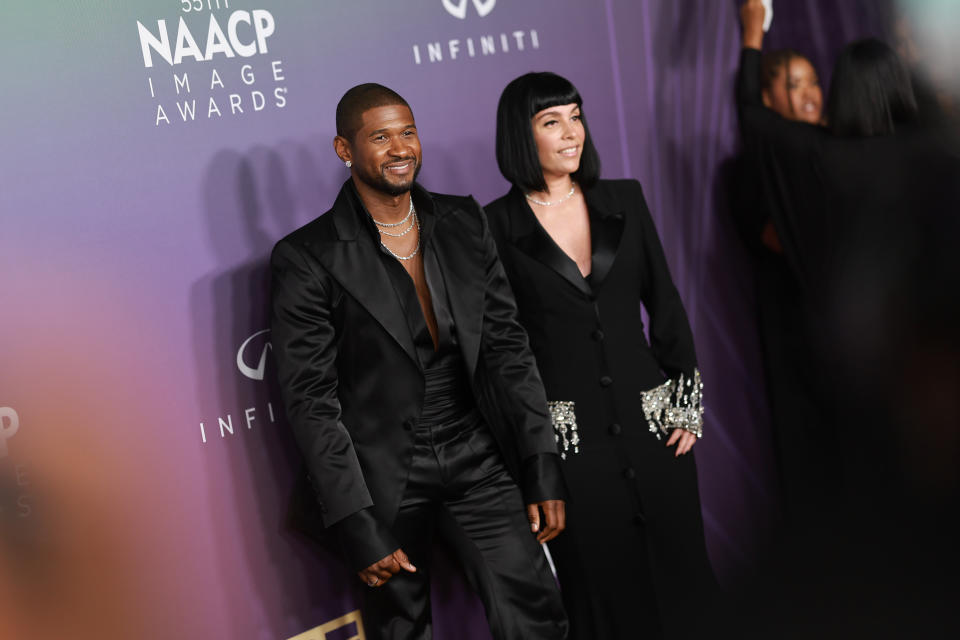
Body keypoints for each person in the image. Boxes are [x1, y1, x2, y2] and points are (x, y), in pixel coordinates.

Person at [270, 83, 568, 640]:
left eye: (407, 132)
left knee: (536, 614)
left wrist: (539, 460)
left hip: (478, 452)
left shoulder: (462, 221)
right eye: (379, 137)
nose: (400, 147)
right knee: (402, 631)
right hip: (385, 475)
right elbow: (312, 402)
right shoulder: (307, 257)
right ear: (344, 150)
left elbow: (507, 348)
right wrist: (357, 521)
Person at [484, 72, 718, 640]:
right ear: (522, 135)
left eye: (576, 115)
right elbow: (503, 350)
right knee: (604, 592)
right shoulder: (494, 226)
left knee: (683, 575)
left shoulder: (624, 199)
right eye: (551, 121)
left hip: (655, 427)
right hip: (571, 443)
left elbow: (665, 305)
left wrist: (686, 404)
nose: (572, 133)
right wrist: (540, 444)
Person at [729, 41, 826, 522]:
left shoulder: (839, 148)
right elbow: (777, 236)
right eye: (794, 83)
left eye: (812, 81)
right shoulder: (754, 169)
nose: (810, 93)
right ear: (767, 99)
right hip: (800, 330)